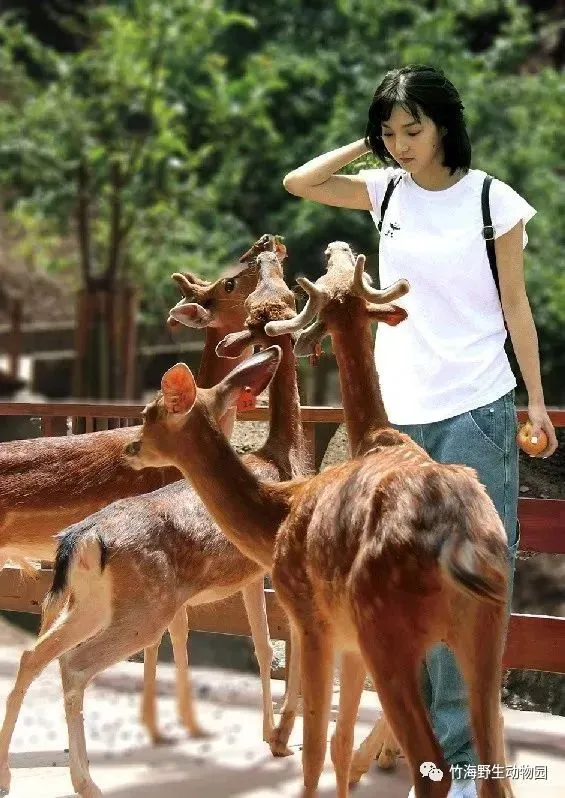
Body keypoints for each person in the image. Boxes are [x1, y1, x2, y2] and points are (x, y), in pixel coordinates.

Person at [282, 63, 558, 798]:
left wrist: (534, 401)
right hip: (397, 418)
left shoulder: (492, 200)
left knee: (469, 579)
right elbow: (299, 182)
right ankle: (432, 754)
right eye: (390, 132)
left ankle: (465, 766)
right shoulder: (385, 190)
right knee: (407, 582)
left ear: (444, 125)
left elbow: (516, 307)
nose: (402, 144)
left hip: (476, 406)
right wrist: (365, 141)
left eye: (414, 128)